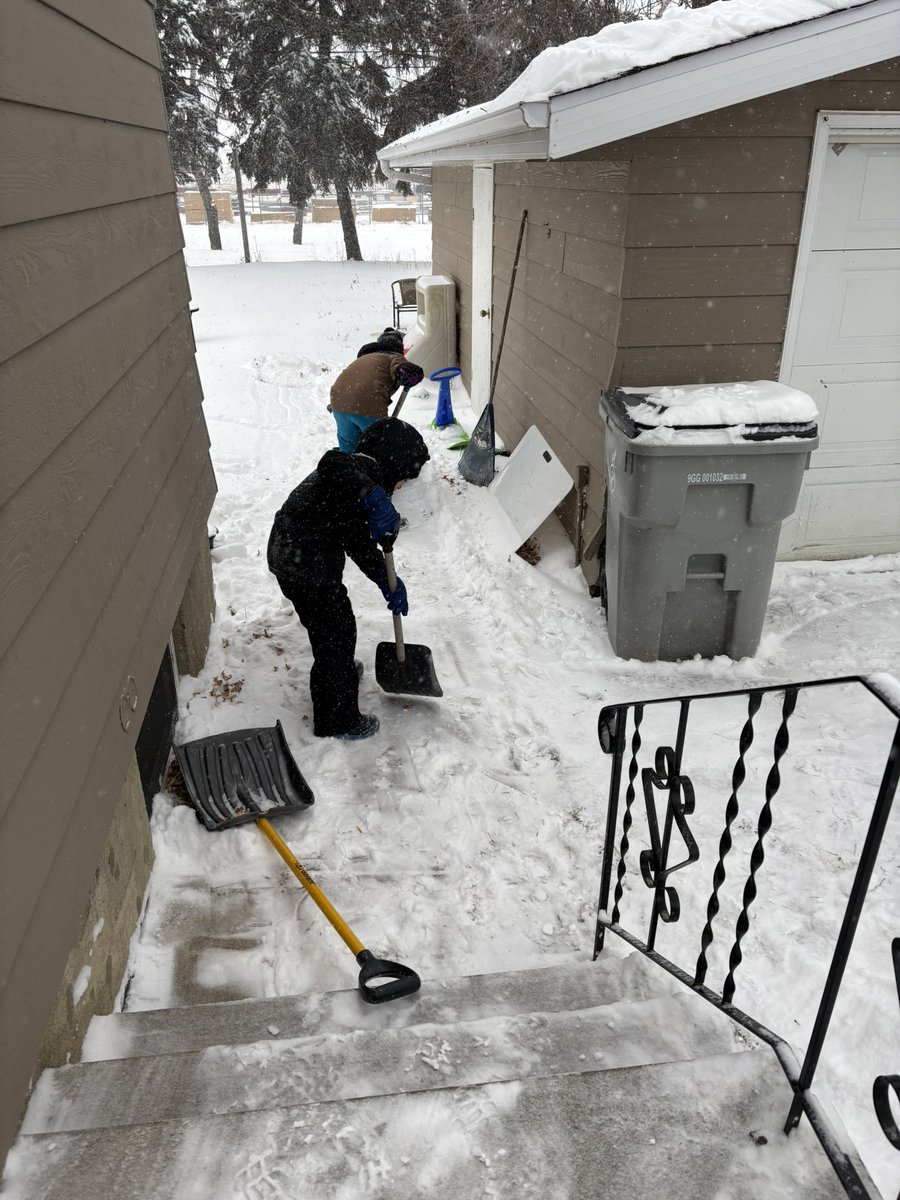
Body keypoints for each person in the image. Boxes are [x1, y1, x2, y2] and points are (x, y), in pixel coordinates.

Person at [267, 418, 430, 740]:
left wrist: (385, 578)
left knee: (329, 632)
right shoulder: (351, 470)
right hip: (305, 563)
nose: (400, 487)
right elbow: (331, 461)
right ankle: (336, 719)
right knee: (336, 635)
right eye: (403, 479)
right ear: (392, 464)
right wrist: (372, 495)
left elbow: (356, 540)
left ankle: (337, 673)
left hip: (295, 557)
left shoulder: (357, 484)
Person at [329, 345, 424, 453]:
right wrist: (409, 371)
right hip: (367, 405)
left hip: (338, 402)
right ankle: (374, 459)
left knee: (348, 444)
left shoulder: (365, 358)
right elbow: (399, 367)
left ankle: (346, 459)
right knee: (378, 444)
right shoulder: (394, 357)